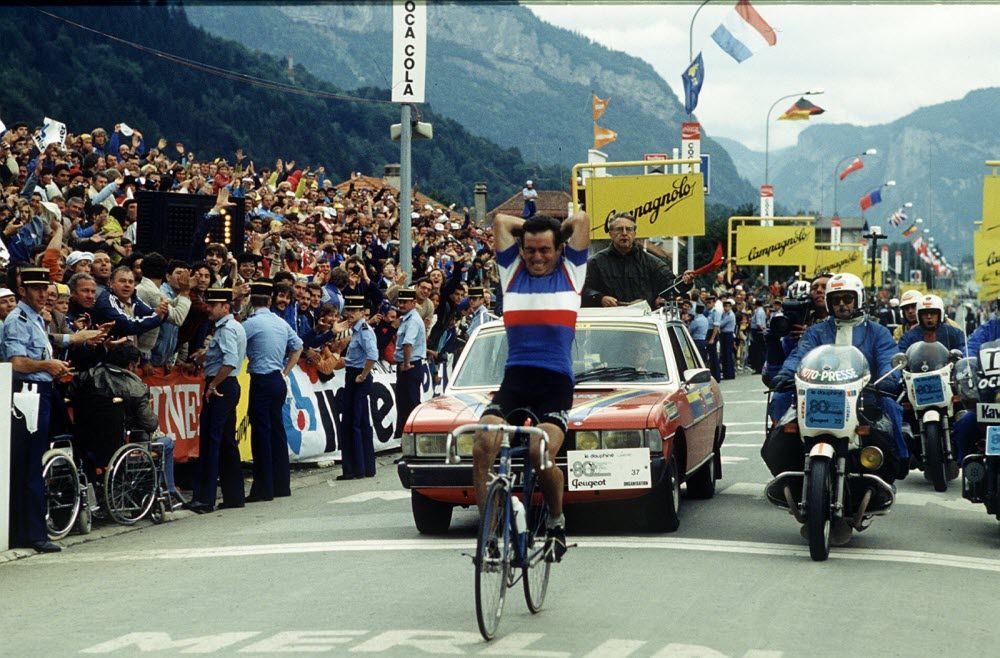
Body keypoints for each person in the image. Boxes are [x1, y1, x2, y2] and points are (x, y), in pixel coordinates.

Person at [474, 211, 589, 563]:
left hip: (555, 383)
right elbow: (500, 222)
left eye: (545, 250)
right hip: (515, 380)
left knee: (541, 453)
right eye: (530, 250)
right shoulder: (512, 272)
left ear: (559, 250)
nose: (537, 257)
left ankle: (556, 521)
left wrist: (554, 232)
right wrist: (533, 232)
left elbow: (582, 220)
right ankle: (490, 533)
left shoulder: (572, 273)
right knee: (482, 444)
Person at [764, 273, 905, 545]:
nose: (842, 304)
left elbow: (888, 357)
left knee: (889, 412)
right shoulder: (817, 331)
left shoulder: (877, 331)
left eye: (847, 298)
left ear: (858, 299)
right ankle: (788, 477)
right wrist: (785, 374)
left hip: (864, 399)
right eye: (836, 299)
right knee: (782, 431)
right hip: (817, 397)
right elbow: (799, 355)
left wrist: (890, 378)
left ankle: (895, 465)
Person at [4, 267, 75, 552]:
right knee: (29, 463)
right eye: (36, 288)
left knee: (32, 461)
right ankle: (32, 533)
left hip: (42, 390)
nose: (43, 294)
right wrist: (48, 365)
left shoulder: (35, 317)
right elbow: (16, 362)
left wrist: (53, 367)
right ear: (22, 291)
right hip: (27, 394)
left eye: (45, 288)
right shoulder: (18, 319)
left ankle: (28, 530)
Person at [186, 288, 247, 513]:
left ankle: (205, 498)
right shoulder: (230, 326)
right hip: (227, 384)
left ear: (225, 307)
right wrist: (203, 356)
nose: (209, 309)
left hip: (221, 385)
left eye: (213, 305)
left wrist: (213, 385)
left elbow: (229, 362)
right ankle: (234, 495)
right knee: (226, 442)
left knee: (212, 441)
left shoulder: (227, 328)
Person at [243, 279, 303, 501]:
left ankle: (263, 488)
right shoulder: (281, 323)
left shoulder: (251, 323)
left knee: (261, 433)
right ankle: (281, 485)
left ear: (252, 301)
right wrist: (285, 371)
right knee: (277, 431)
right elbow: (298, 346)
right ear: (269, 301)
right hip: (277, 378)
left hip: (261, 379)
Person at [582, 212, 693, 309]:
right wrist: (600, 298)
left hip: (642, 322)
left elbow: (669, 287)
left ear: (634, 233)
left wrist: (684, 282)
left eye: (629, 229)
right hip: (609, 322)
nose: (624, 233)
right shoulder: (595, 263)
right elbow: (581, 289)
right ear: (610, 234)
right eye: (619, 229)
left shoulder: (652, 263)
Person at [339, 295, 379, 480]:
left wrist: (363, 375)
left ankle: (358, 468)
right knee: (356, 422)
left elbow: (373, 355)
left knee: (355, 423)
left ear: (363, 312)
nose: (351, 313)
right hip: (353, 374)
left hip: (358, 377)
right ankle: (361, 468)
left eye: (355, 310)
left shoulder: (364, 330)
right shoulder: (355, 330)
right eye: (349, 310)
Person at [394, 287, 426, 439]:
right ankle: (404, 439)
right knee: (403, 404)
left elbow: (408, 344)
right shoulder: (407, 318)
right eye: (400, 302)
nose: (401, 305)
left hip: (410, 366)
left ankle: (414, 439)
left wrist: (406, 364)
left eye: (404, 302)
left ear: (413, 303)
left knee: (410, 405)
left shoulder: (412, 320)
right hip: (407, 365)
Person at [897, 294, 966, 352]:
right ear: (919, 316)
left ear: (940, 314)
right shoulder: (909, 336)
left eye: (933, 313)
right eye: (925, 313)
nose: (929, 317)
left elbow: (963, 350)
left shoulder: (954, 333)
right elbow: (901, 353)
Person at [719, 298, 737, 380]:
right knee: (724, 354)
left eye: (728, 306)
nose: (726, 308)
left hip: (728, 334)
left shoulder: (730, 315)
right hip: (723, 334)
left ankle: (730, 374)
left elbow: (721, 324)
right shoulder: (724, 314)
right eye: (725, 306)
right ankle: (726, 373)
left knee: (728, 354)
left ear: (730, 307)